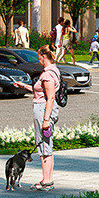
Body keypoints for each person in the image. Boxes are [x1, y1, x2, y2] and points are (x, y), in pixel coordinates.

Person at [31, 45, 61, 190]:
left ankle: (47, 181)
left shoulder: (47, 74)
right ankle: (46, 179)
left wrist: (46, 120)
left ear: (44, 56)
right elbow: (43, 92)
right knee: (45, 145)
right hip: (45, 109)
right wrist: (25, 87)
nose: (39, 61)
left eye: (39, 58)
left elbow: (50, 97)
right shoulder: (54, 70)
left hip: (44, 110)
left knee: (44, 145)